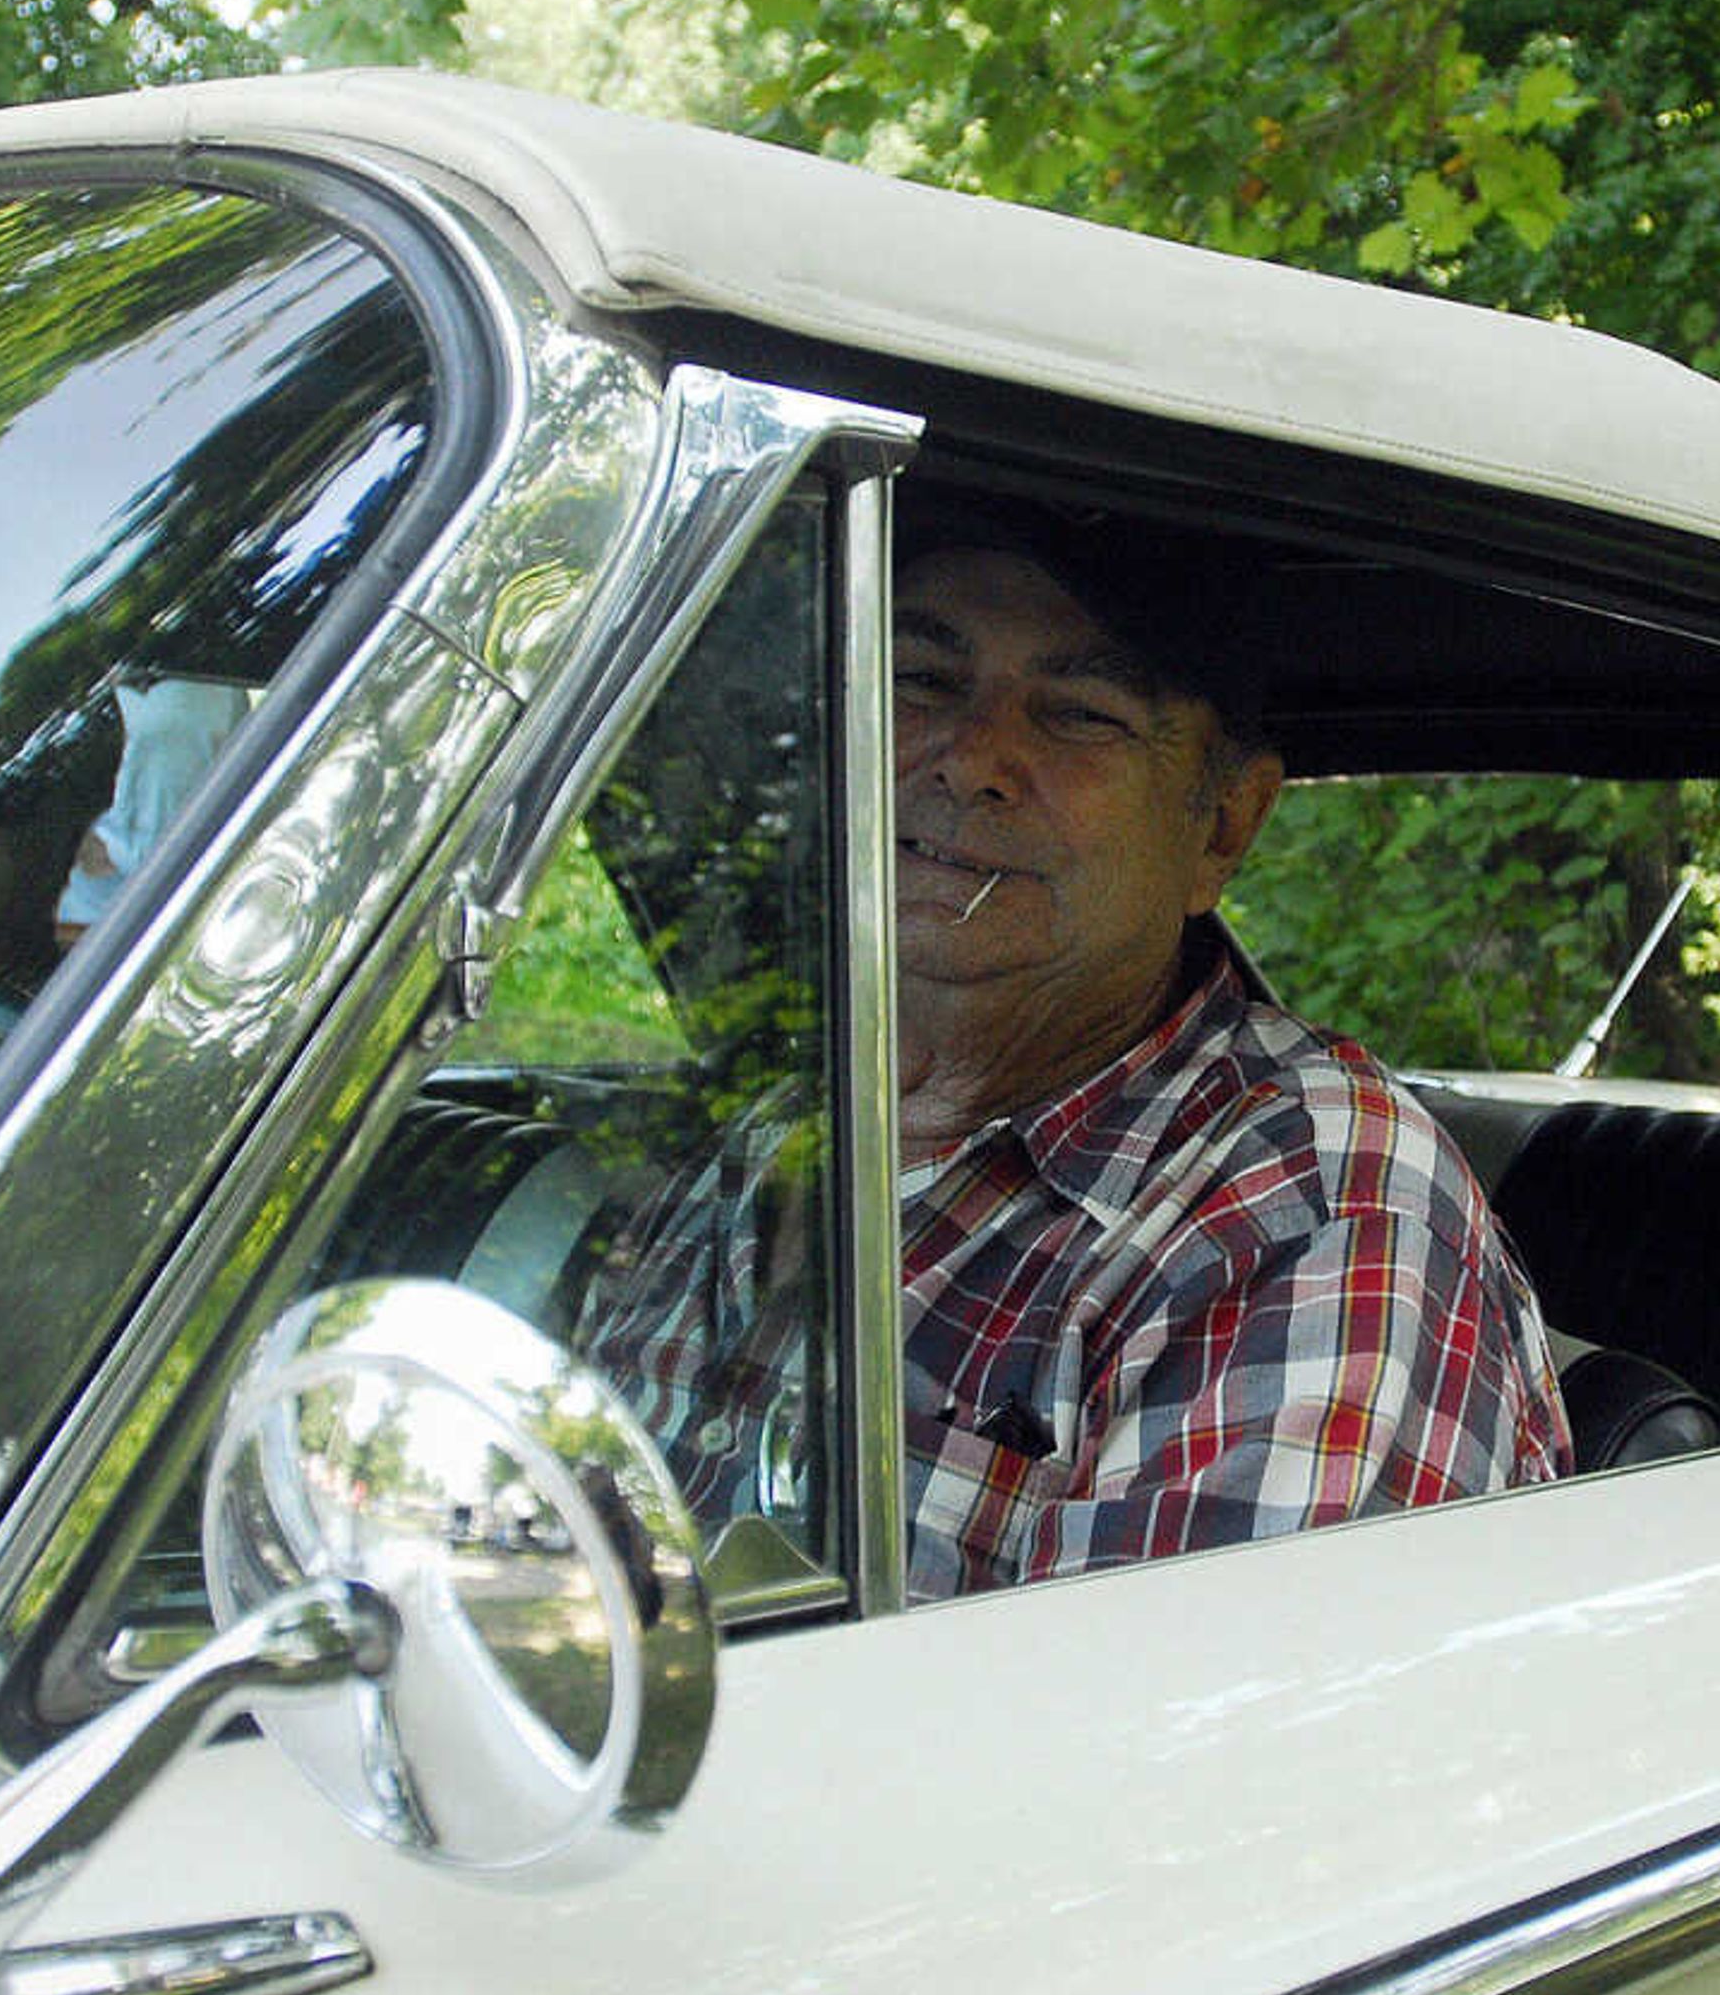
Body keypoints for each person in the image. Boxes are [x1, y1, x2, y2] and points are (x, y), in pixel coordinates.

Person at [577, 506, 1572, 1595]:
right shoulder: (785, 1126)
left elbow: (1193, 1752)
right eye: (921, 680)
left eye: (1080, 715)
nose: (973, 762)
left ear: (1224, 828)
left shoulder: (1311, 1208)